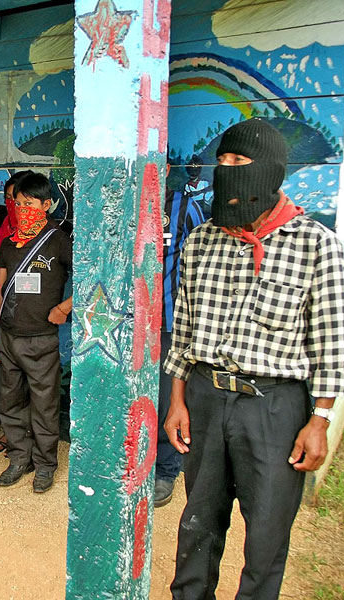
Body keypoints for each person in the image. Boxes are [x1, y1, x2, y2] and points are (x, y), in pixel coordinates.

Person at [163, 118, 344, 599]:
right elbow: (183, 326)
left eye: (238, 162)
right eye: (221, 161)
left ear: (269, 172)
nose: (226, 171)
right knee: (197, 523)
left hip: (274, 408)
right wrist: (178, 399)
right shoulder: (202, 241)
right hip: (205, 396)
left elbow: (331, 341)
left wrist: (320, 420)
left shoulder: (316, 244)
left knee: (266, 536)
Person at [0, 172, 72, 493]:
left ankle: (45, 464)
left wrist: (64, 308)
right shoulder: (9, 244)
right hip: (8, 338)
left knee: (44, 404)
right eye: (18, 203)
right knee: (10, 402)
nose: (22, 209)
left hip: (42, 339)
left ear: (47, 205)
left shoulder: (59, 240)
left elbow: (91, 279)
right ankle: (20, 457)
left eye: (30, 203)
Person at [154, 167, 205, 507]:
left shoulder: (185, 207)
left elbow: (204, 262)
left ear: (166, 168)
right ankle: (134, 461)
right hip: (131, 323)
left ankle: (165, 470)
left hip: (171, 323)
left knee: (166, 399)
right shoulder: (125, 207)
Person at [0, 171, 30, 456]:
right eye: (9, 198)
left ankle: (26, 436)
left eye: (19, 199)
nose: (13, 204)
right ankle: (10, 432)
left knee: (29, 380)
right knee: (6, 379)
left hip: (29, 314)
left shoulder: (46, 232)